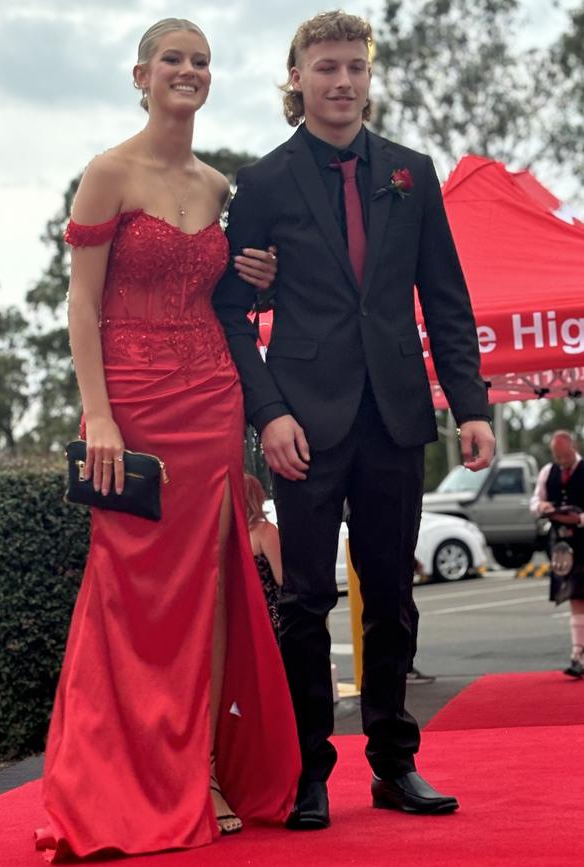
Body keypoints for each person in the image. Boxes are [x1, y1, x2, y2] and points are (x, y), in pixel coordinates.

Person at [214, 10, 495, 829]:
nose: (341, 81)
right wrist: (267, 414)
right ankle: (307, 772)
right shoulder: (261, 183)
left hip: (396, 415)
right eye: (325, 68)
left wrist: (470, 405)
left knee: (392, 597)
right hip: (301, 423)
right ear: (296, 78)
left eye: (355, 68)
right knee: (304, 600)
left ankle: (394, 763)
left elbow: (445, 297)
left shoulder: (413, 171)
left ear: (369, 76)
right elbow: (234, 310)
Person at [34, 18, 300, 862]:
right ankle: (118, 777)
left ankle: (204, 768)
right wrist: (99, 413)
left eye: (201, 61)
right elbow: (81, 305)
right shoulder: (108, 173)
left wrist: (256, 276)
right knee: (127, 589)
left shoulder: (220, 187)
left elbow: (228, 298)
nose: (188, 71)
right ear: (141, 75)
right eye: (173, 60)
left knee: (212, 585)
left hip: (212, 398)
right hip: (134, 407)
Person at [530, 430, 584, 678]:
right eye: (557, 456)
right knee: (575, 597)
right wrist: (543, 507)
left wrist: (579, 518)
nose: (560, 460)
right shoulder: (547, 472)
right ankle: (577, 655)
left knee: (579, 598)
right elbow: (534, 503)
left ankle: (578, 654)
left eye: (564, 455)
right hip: (563, 546)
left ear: (572, 447)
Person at [244, 472, 283, 634]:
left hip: (242, 614)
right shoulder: (265, 531)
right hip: (268, 613)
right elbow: (281, 578)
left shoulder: (226, 536)